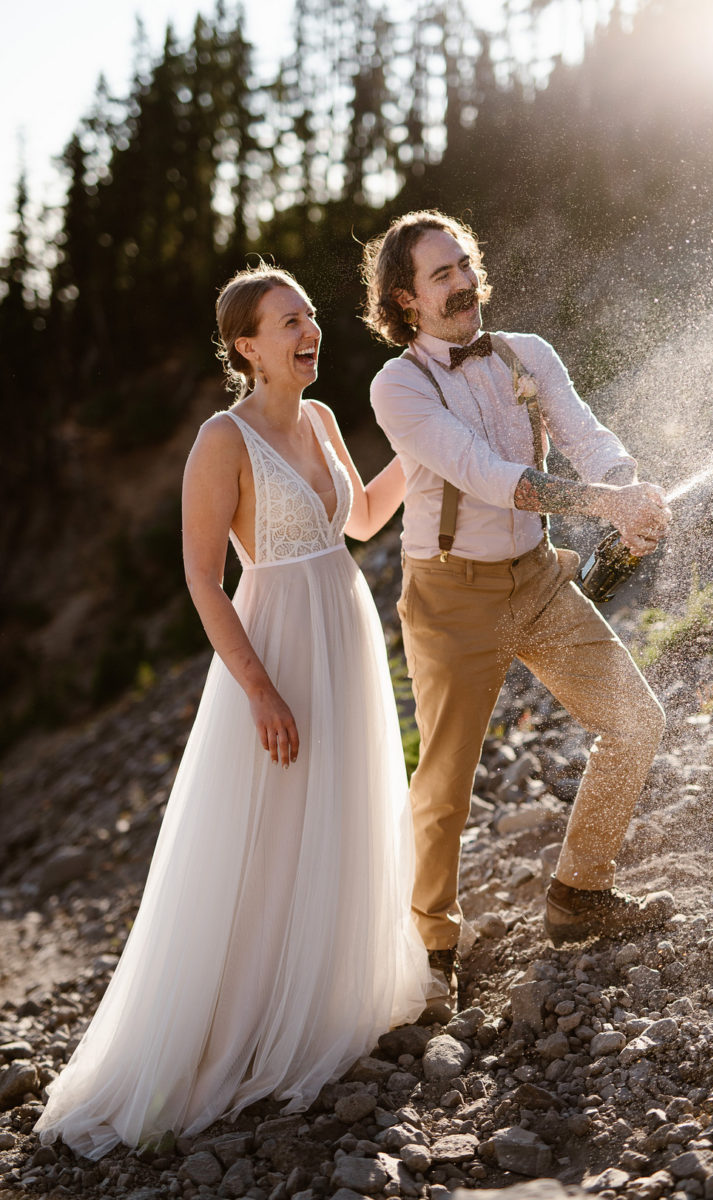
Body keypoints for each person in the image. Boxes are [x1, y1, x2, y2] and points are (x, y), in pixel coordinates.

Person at [34, 263, 431, 1160]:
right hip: (276, 646)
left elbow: (362, 519)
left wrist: (426, 444)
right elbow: (200, 578)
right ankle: (240, 1030)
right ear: (246, 346)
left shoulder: (326, 420)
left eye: (311, 317)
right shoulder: (223, 438)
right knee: (265, 832)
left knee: (337, 812)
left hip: (345, 633)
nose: (308, 331)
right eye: (287, 322)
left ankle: (325, 999)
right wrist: (258, 688)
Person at [361, 210, 675, 1013]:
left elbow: (584, 432)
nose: (462, 282)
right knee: (446, 786)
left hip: (536, 579)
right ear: (405, 300)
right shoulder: (396, 386)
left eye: (464, 263)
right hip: (449, 600)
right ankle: (434, 948)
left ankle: (576, 894)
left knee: (636, 720)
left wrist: (628, 486)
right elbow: (484, 472)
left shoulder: (527, 353)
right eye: (441, 274)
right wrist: (604, 504)